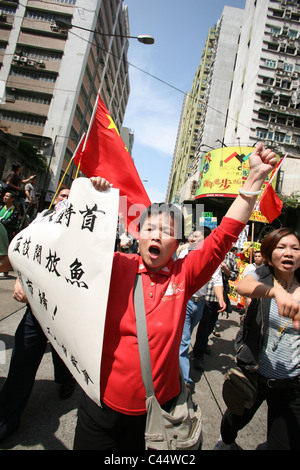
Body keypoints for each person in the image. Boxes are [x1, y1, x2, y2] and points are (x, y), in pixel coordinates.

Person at [71, 144, 293, 450]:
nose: (158, 234)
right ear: (139, 234)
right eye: (151, 227)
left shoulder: (183, 274)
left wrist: (254, 177)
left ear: (176, 244)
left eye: (167, 230)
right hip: (99, 407)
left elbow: (224, 236)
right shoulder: (114, 265)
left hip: (157, 417)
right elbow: (74, 251)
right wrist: (93, 196)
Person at [0, 187, 74, 443]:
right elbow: (23, 252)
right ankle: (8, 417)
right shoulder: (41, 220)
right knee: (22, 358)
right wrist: (21, 279)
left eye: (71, 197)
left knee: (60, 350)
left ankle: (66, 380)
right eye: (62, 195)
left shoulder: (80, 230)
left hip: (63, 308)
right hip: (36, 307)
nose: (65, 199)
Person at [215, 227, 300, 450]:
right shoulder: (261, 275)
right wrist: (274, 292)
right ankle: (226, 442)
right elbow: (243, 286)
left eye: (295, 248)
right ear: (270, 254)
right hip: (255, 375)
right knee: (233, 422)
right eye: (281, 247)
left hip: (292, 384)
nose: (288, 253)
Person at [179, 228, 225, 390]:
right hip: (184, 301)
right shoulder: (183, 253)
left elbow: (217, 279)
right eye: (191, 235)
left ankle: (174, 364)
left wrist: (221, 298)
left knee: (185, 337)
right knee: (184, 339)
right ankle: (185, 380)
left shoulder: (210, 257)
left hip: (200, 304)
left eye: (196, 236)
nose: (192, 238)